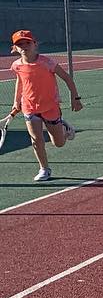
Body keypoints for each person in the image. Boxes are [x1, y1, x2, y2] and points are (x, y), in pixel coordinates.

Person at [7, 30, 82, 183]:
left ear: (35, 44)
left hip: (50, 107)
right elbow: (20, 82)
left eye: (27, 43)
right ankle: (44, 168)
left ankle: (64, 128)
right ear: (15, 48)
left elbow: (67, 79)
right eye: (20, 44)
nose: (24, 46)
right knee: (36, 140)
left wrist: (75, 98)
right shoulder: (16, 65)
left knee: (59, 143)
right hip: (30, 108)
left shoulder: (48, 62)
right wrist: (17, 102)